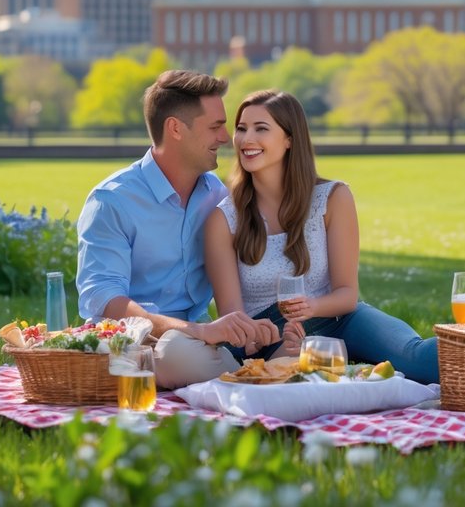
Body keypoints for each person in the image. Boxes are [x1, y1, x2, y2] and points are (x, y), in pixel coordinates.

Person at [204, 89, 439, 384]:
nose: (246, 139)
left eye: (260, 128)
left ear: (289, 139)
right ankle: (339, 362)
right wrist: (254, 339)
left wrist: (311, 307)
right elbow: (233, 321)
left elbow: (347, 294)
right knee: (304, 381)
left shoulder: (332, 198)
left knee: (419, 360)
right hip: (277, 336)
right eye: (241, 129)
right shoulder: (223, 220)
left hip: (343, 320)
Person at [76, 70, 280, 387]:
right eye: (215, 127)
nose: (226, 138)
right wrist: (193, 331)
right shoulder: (112, 200)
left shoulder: (216, 196)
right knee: (175, 356)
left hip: (198, 339)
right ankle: (255, 374)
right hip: (129, 337)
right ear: (175, 129)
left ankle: (254, 366)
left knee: (201, 350)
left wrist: (248, 330)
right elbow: (104, 298)